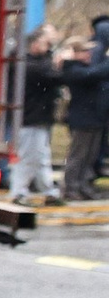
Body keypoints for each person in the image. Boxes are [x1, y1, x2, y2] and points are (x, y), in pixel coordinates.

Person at [16, 24, 62, 202]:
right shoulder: (31, 65)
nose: (48, 46)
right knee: (28, 156)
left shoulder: (34, 63)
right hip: (32, 116)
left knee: (41, 156)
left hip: (38, 116)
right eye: (44, 42)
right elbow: (53, 76)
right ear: (34, 44)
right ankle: (19, 192)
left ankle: (48, 191)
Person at [64, 37, 109, 201]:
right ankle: (71, 187)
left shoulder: (86, 68)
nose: (89, 54)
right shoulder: (73, 69)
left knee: (89, 156)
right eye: (85, 51)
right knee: (78, 156)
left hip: (94, 118)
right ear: (76, 53)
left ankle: (82, 184)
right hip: (83, 119)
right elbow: (94, 74)